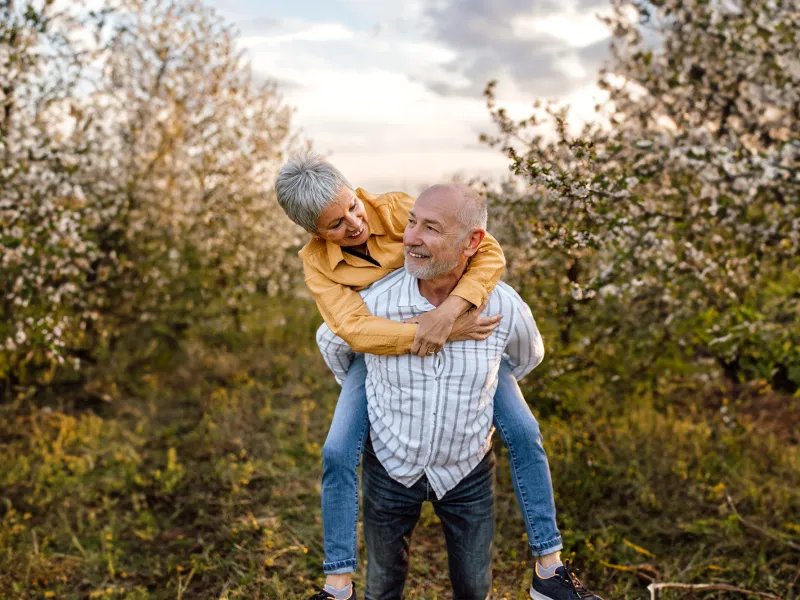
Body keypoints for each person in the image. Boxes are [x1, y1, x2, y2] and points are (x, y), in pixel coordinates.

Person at [274, 155, 595, 600]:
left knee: (524, 429)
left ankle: (549, 568)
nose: (353, 223)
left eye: (352, 206)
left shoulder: (398, 209)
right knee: (336, 449)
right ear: (314, 232)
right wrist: (434, 334)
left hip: (455, 323)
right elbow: (350, 331)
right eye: (335, 224)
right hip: (376, 346)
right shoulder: (317, 263)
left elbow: (487, 250)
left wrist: (449, 314)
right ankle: (338, 584)